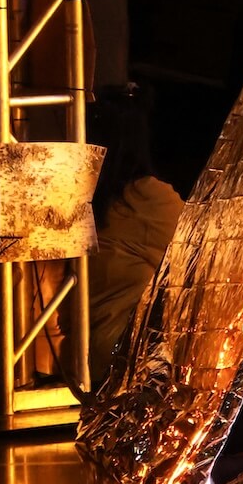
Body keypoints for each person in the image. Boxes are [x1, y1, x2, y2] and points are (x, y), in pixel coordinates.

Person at [61, 83, 185, 389]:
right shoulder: (150, 198)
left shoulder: (76, 199)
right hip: (130, 359)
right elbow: (202, 258)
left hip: (75, 359)